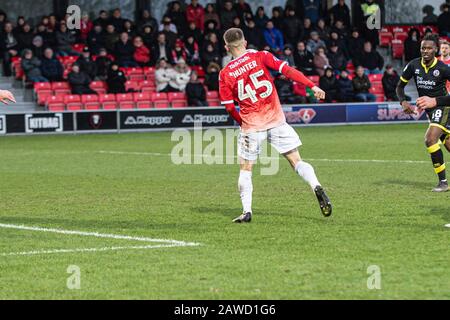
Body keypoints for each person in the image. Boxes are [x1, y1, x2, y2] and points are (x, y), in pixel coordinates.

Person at [218, 28, 331, 223]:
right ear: (245, 42)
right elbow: (288, 71)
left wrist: (242, 122)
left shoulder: (225, 73)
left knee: (246, 169)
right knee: (296, 161)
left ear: (227, 47)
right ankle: (315, 185)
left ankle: (247, 211)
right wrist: (312, 86)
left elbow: (229, 108)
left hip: (251, 126)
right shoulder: (261, 56)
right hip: (276, 120)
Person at [397, 34, 450, 192]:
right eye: (423, 48)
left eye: (429, 48)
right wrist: (403, 101)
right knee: (447, 144)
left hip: (444, 106)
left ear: (435, 50)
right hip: (430, 111)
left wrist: (435, 101)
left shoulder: (443, 68)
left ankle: (443, 182)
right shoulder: (413, 65)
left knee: (430, 139)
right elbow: (399, 87)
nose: (425, 51)